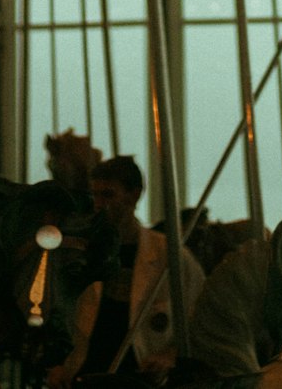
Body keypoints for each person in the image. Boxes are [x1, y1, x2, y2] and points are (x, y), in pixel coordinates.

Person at [46, 156, 204, 386]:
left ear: (134, 195)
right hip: (85, 374)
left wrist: (168, 356)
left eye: (108, 194)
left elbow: (198, 316)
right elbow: (58, 311)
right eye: (95, 195)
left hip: (140, 376)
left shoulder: (169, 256)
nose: (99, 203)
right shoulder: (80, 250)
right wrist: (56, 364)